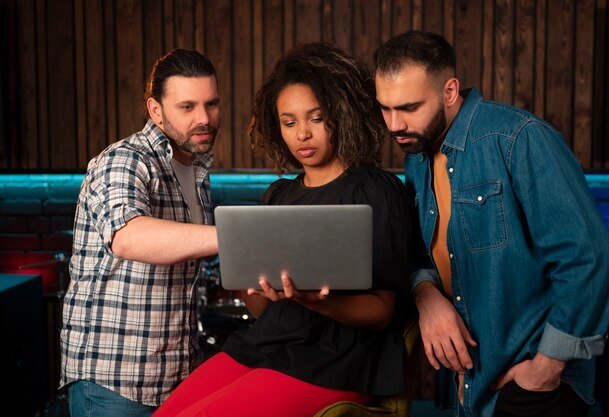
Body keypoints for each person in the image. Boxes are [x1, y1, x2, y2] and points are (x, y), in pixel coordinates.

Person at [153, 42, 414, 417]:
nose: (302, 135)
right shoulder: (279, 195)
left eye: (316, 118)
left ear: (343, 114)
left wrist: (317, 300)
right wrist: (243, 281)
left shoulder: (375, 190)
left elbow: (382, 312)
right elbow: (267, 311)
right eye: (289, 122)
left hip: (337, 362)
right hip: (264, 347)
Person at [373, 30, 609, 417]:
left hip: (533, 384)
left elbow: (590, 259)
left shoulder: (519, 138)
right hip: (471, 382)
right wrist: (425, 294)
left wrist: (547, 367)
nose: (394, 124)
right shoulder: (417, 156)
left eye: (408, 107)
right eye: (384, 109)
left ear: (450, 91)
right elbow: (418, 249)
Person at [60, 49, 222, 417]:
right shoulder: (124, 160)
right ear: (155, 110)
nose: (204, 118)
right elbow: (128, 236)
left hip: (176, 379)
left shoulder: (197, 174)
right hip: (114, 384)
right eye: (187, 107)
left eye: (211, 104)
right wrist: (237, 238)